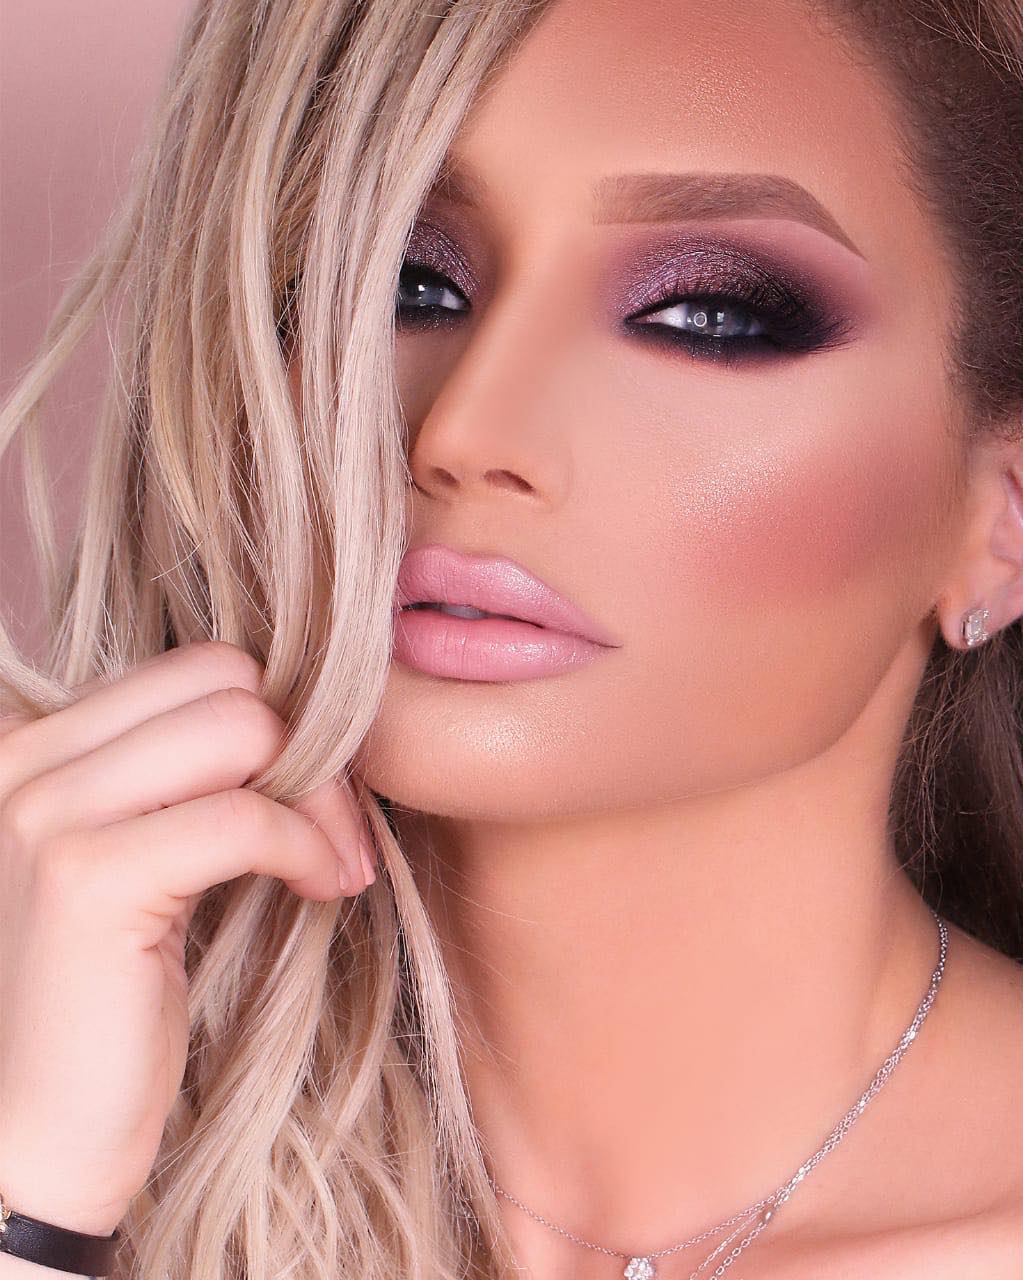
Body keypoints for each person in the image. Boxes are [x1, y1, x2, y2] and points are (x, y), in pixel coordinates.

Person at [1, 0, 1022, 1275]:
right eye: (407, 283)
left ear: (1003, 520)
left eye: (706, 315)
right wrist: (36, 1208)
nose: (466, 431)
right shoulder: (66, 1134)